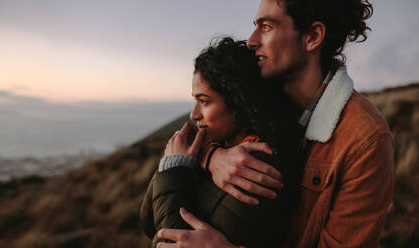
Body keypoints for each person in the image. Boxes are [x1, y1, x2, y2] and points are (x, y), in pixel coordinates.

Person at [156, 0, 395, 247]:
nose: (251, 40)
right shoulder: (257, 98)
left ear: (313, 36)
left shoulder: (365, 141)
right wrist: (213, 156)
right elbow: (192, 137)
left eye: (267, 26)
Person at [140, 37, 305, 247]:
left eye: (204, 101)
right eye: (195, 101)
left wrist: (174, 168)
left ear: (239, 101)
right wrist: (202, 156)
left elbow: (164, 238)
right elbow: (147, 222)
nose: (194, 114)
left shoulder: (256, 168)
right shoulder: (220, 149)